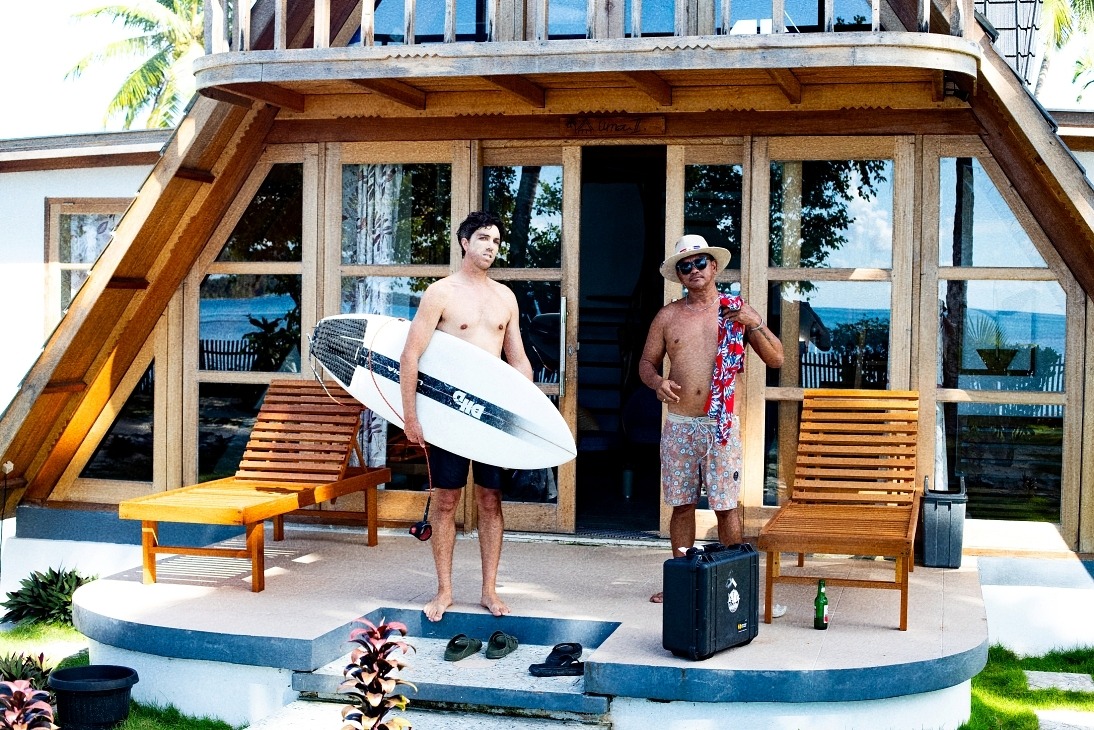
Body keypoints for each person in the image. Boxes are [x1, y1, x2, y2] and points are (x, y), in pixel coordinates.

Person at [400, 211, 534, 622]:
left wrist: (523, 412)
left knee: (490, 501)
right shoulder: (440, 293)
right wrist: (411, 416)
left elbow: (520, 362)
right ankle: (444, 591)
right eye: (482, 238)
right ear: (464, 242)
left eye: (495, 240)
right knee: (445, 502)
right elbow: (410, 355)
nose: (490, 246)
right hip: (448, 413)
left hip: (490, 415)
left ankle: (489, 591)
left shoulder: (505, 298)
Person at [639, 235, 784, 603]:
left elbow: (777, 359)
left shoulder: (736, 311)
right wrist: (657, 383)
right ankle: (683, 584)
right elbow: (645, 363)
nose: (693, 270)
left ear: (714, 267)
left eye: (699, 263)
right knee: (682, 504)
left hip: (720, 425)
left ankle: (733, 586)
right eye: (684, 266)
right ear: (679, 275)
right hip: (680, 425)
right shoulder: (668, 316)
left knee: (725, 505)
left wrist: (754, 322)